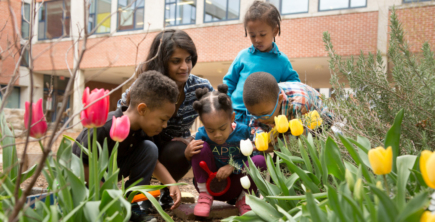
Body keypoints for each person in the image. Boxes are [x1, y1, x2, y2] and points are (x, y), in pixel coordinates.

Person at [118, 29, 214, 209]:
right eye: (176, 61)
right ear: (162, 62)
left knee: (183, 148)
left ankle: (166, 192)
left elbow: (217, 117)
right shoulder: (147, 84)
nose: (185, 67)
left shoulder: (201, 87)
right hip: (143, 142)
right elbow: (122, 111)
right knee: (147, 147)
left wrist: (193, 139)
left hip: (175, 147)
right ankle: (139, 197)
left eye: (188, 59)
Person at [72, 71, 182, 221]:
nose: (165, 125)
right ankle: (104, 208)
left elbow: (153, 162)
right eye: (163, 119)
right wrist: (107, 193)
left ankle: (132, 207)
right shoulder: (105, 125)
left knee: (150, 149)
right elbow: (81, 164)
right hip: (84, 180)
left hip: (111, 175)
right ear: (142, 109)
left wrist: (171, 184)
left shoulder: (145, 130)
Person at [188, 84, 266, 217]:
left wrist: (233, 166)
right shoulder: (202, 135)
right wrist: (187, 153)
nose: (217, 134)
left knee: (260, 160)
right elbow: (198, 161)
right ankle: (204, 197)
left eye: (222, 128)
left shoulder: (243, 132)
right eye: (211, 130)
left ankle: (245, 199)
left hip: (237, 185)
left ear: (232, 118)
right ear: (202, 123)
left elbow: (250, 160)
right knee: (198, 147)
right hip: (209, 185)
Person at [223, 1, 300, 126]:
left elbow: (294, 86)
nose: (257, 39)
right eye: (252, 35)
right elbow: (229, 82)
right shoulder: (242, 56)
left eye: (262, 34)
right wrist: (226, 105)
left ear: (275, 31)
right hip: (237, 113)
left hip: (265, 117)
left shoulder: (282, 61)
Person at [243, 72, 333, 152]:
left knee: (306, 151)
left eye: (264, 114)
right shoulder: (260, 107)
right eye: (254, 114)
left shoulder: (299, 105)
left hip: (320, 121)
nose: (260, 119)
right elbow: (256, 125)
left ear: (280, 99)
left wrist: (275, 147)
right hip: (284, 114)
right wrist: (260, 138)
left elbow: (298, 139)